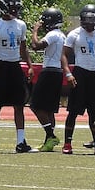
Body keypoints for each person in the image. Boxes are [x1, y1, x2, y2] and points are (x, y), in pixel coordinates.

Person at [0, 0, 37, 154]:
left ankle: (21, 142)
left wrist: (29, 65)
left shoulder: (21, 25)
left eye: (16, 8)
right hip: (0, 67)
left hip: (15, 66)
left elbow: (23, 48)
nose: (15, 11)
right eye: (12, 8)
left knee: (19, 105)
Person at [62, 4, 95, 154]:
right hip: (80, 74)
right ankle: (67, 143)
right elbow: (64, 55)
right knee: (73, 111)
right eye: (87, 19)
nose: (90, 23)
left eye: (93, 19)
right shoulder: (74, 34)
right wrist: (68, 73)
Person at [29, 8, 67, 152]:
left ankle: (50, 135)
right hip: (57, 72)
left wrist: (35, 31)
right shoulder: (62, 35)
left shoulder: (53, 34)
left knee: (36, 106)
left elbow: (36, 46)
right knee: (49, 109)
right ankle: (48, 142)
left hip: (50, 71)